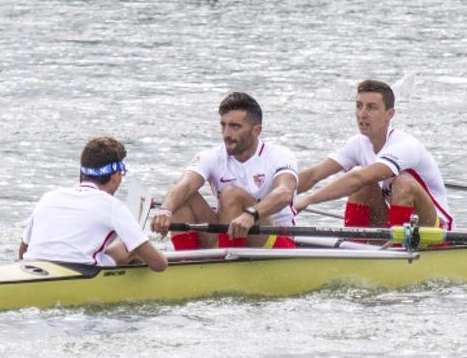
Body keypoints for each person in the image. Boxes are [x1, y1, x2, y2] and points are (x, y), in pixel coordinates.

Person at [295, 80, 453, 230]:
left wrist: (307, 200)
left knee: (401, 183)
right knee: (364, 186)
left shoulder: (405, 146)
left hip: (435, 229)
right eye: (359, 106)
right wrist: (277, 195)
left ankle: (397, 250)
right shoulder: (357, 143)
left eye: (371, 107)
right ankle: (354, 247)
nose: (362, 114)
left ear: (389, 114)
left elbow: (358, 178)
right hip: (400, 222)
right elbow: (313, 175)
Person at [149, 92, 299, 250]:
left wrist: (251, 214)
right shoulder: (211, 157)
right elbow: (185, 185)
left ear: (256, 130)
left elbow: (284, 193)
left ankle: (224, 262)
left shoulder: (280, 155)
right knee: (183, 197)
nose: (227, 133)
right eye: (223, 125)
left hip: (276, 241)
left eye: (235, 126)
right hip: (228, 234)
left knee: (231, 194)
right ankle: (187, 262)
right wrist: (165, 210)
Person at [20, 137, 167, 271]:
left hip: (29, 268)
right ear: (115, 176)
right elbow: (159, 265)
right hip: (80, 273)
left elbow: (22, 252)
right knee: (130, 246)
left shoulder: (49, 197)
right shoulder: (113, 206)